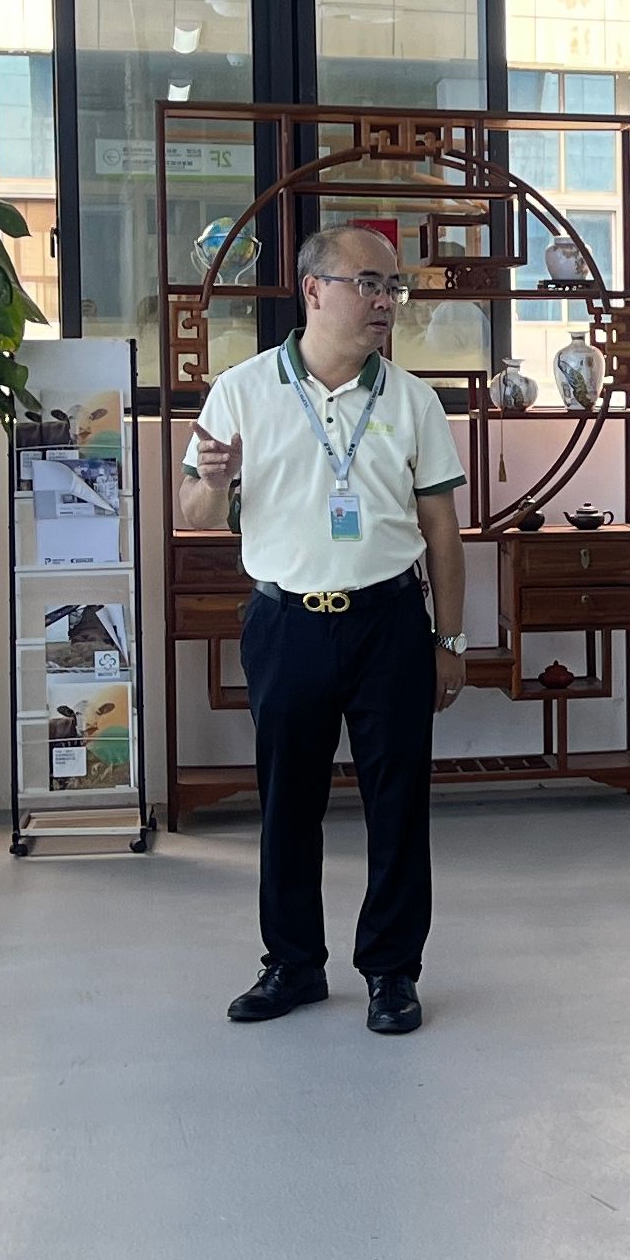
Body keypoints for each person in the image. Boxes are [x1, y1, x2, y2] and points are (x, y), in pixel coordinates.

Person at [182, 223, 469, 1037]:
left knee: (397, 802)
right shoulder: (242, 390)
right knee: (288, 801)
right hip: (287, 622)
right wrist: (215, 480)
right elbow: (195, 511)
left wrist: (450, 642)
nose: (385, 301)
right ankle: (293, 963)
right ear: (313, 289)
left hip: (389, 621)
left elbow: (442, 531)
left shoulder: (411, 400)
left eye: (392, 287)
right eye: (368, 283)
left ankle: (391, 970)